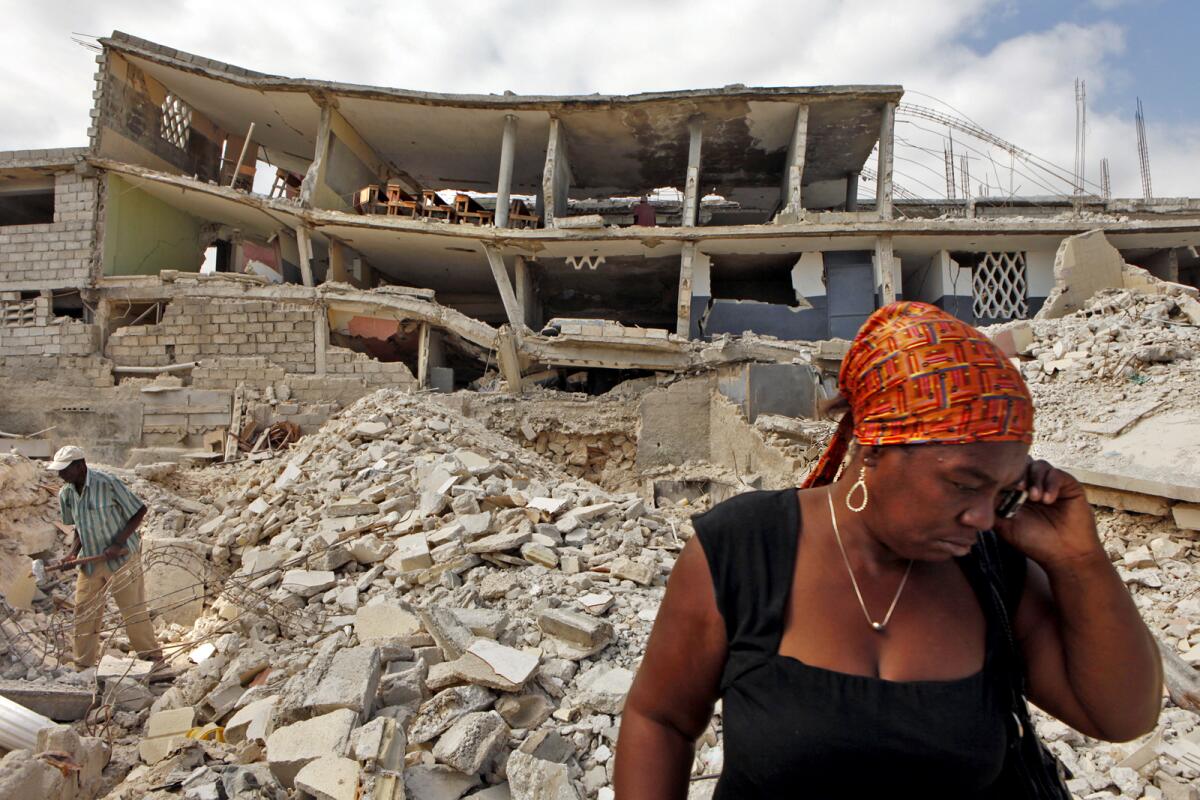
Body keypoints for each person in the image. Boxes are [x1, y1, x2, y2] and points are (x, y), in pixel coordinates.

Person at [613, 302, 1162, 799]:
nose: (982, 516)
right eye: (965, 485)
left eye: (1004, 493)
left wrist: (1079, 561)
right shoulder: (746, 548)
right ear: (874, 447)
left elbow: (1118, 717)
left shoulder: (992, 569)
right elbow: (660, 719)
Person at [47, 446, 162, 668]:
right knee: (84, 611)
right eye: (59, 470)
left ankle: (152, 657)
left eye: (64, 470)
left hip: (122, 558)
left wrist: (117, 543)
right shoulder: (66, 493)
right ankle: (83, 664)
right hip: (91, 559)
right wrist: (72, 554)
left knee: (132, 608)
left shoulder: (107, 483)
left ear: (80, 466)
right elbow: (79, 527)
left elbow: (139, 510)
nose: (60, 475)